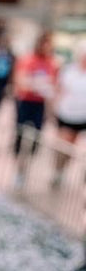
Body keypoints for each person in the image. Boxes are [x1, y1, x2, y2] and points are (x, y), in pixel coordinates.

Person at [11, 31, 59, 183]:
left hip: (40, 104)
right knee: (20, 134)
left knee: (36, 137)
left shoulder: (52, 63)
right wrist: (35, 85)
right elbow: (20, 81)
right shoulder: (28, 60)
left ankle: (26, 166)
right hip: (25, 102)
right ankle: (19, 168)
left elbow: (53, 84)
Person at [50, 42, 86, 189]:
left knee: (73, 146)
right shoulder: (69, 71)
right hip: (67, 114)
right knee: (64, 146)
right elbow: (58, 90)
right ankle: (58, 172)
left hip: (82, 115)